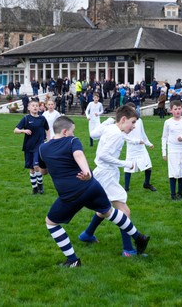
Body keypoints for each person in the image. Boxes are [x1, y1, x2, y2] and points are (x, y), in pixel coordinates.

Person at [39, 116, 149, 267]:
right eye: (73, 131)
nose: (73, 134)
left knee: (51, 223)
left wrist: (48, 164)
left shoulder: (43, 148)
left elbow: (43, 171)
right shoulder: (72, 141)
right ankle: (138, 237)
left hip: (71, 194)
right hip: (92, 186)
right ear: (65, 131)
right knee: (109, 211)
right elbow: (78, 154)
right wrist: (87, 173)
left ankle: (73, 260)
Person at [79, 105, 150, 257]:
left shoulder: (112, 128)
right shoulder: (116, 133)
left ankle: (87, 234)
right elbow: (103, 155)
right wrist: (126, 163)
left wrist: (108, 122)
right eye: (132, 122)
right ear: (123, 119)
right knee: (124, 212)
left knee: (104, 209)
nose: (134, 126)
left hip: (104, 173)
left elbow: (93, 134)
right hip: (106, 175)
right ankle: (128, 250)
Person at [14, 99, 49, 195]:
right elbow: (15, 130)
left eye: (37, 105)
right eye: (33, 105)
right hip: (28, 146)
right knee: (32, 169)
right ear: (29, 108)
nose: (35, 107)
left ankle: (40, 185)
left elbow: (47, 129)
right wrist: (23, 131)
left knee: (36, 166)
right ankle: (34, 187)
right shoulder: (26, 118)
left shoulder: (42, 119)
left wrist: (48, 141)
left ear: (39, 107)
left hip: (39, 146)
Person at [161, 100, 182, 200]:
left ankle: (180, 192)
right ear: (171, 110)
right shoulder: (168, 122)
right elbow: (164, 137)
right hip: (172, 150)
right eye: (175, 109)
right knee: (173, 172)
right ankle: (173, 194)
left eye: (179, 109)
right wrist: (164, 152)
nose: (178, 111)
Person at [123, 103, 157, 192]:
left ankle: (146, 184)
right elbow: (124, 137)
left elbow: (143, 134)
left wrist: (148, 143)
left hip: (141, 148)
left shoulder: (139, 121)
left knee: (148, 166)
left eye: (134, 109)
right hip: (131, 149)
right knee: (128, 167)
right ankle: (126, 188)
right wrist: (137, 141)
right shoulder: (124, 122)